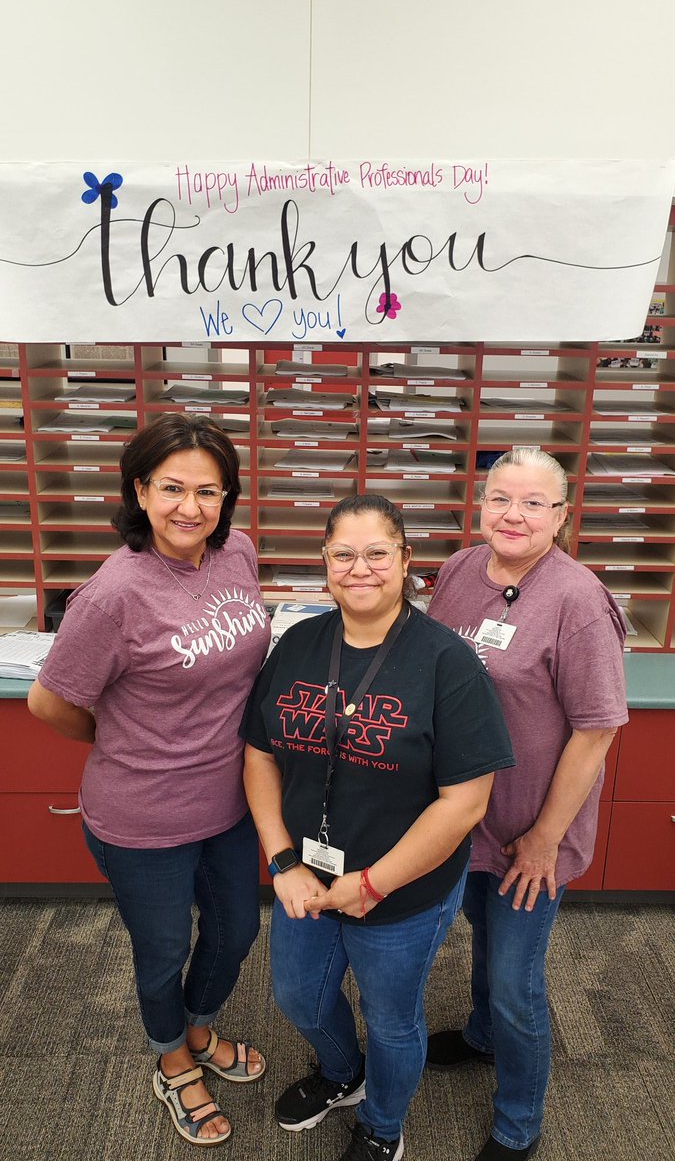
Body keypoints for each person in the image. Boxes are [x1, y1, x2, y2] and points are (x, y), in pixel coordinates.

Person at [241, 494, 515, 1161]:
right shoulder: (300, 643)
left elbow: (463, 804)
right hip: (308, 875)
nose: (358, 569)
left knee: (392, 1021)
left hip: (403, 890)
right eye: (343, 555)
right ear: (325, 564)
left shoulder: (446, 664)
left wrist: (374, 882)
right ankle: (342, 1074)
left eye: (375, 554)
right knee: (297, 998)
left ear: (404, 563)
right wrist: (281, 861)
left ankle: (383, 1127)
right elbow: (257, 755)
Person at [28, 413, 270, 1147]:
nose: (189, 508)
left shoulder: (238, 555)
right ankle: (172, 1060)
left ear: (228, 497)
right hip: (143, 815)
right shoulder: (113, 595)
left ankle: (198, 1030)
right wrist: (125, 741)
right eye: (170, 488)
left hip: (229, 801)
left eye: (208, 490)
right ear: (139, 489)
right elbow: (50, 701)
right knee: (162, 949)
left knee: (234, 933)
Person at [425, 448, 628, 1161]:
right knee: (480, 933)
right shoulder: (456, 570)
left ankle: (518, 1122)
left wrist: (545, 835)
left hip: (527, 826)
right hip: (460, 815)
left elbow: (597, 728)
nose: (513, 515)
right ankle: (481, 1038)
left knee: (515, 978)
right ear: (479, 504)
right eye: (499, 498)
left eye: (533, 503)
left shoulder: (576, 600)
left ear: (562, 516)